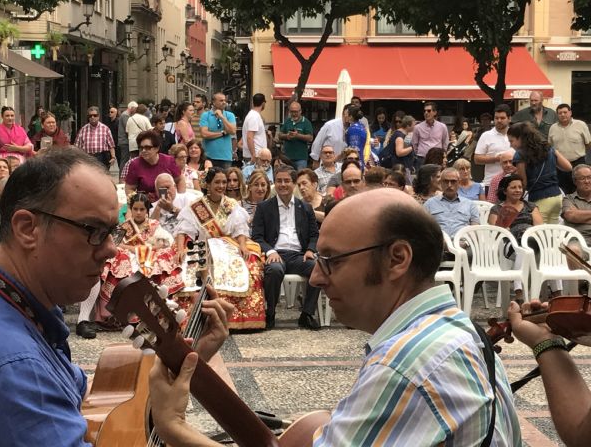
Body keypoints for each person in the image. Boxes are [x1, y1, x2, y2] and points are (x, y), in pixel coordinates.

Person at [150, 188, 522, 446]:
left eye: (331, 260)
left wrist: (175, 429)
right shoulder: (462, 330)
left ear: (397, 259)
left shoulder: (408, 365)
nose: (315, 276)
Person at [0, 147, 232, 444]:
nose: (112, 249)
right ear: (27, 229)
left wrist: (185, 362)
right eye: (93, 230)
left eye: (113, 232)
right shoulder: (15, 369)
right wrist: (175, 429)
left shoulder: (10, 306)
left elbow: (85, 403)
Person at [174, 167, 266, 330]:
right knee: (186, 267)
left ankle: (235, 316)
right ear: (207, 184)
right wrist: (181, 248)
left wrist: (243, 246)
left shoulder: (232, 205)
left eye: (224, 182)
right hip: (202, 245)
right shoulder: (196, 206)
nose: (222, 185)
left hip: (226, 245)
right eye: (217, 182)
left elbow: (240, 230)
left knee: (249, 264)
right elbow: (183, 230)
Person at [96, 192, 184, 328]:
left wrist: (147, 248)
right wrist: (137, 249)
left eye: (142, 209)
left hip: (150, 259)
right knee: (120, 261)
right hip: (132, 259)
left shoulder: (154, 225)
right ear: (131, 209)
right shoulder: (124, 227)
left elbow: (166, 242)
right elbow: (115, 245)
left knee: (164, 259)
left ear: (147, 210)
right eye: (135, 209)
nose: (138, 212)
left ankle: (159, 313)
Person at [252, 165, 320, 330]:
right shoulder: (264, 208)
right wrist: (270, 251)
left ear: (294, 183)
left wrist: (311, 249)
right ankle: (271, 312)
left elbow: (314, 235)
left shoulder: (305, 208)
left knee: (317, 268)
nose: (282, 184)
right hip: (276, 253)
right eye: (279, 181)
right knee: (274, 270)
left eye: (286, 181)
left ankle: (307, 314)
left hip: (298, 255)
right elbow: (257, 237)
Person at [488, 174, 542, 303]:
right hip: (509, 244)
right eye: (513, 187)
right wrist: (504, 225)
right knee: (523, 246)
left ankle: (557, 293)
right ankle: (519, 293)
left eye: (520, 187)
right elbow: (494, 231)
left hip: (532, 240)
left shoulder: (530, 206)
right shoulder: (497, 208)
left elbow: (539, 227)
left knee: (547, 248)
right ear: (505, 191)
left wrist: (528, 233)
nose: (518, 190)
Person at [508, 121, 571, 224]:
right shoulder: (548, 148)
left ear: (520, 138)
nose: (510, 145)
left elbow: (522, 183)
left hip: (539, 198)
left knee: (539, 233)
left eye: (511, 141)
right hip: (557, 197)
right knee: (552, 232)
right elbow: (568, 167)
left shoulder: (520, 155)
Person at [125, 130, 183, 204]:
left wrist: (179, 199)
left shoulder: (169, 161)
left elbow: (180, 180)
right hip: (147, 206)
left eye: (147, 147)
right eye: (141, 148)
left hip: (169, 203)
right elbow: (129, 189)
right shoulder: (135, 164)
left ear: (157, 148)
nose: (143, 150)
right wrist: (140, 202)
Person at [548, 103, 591, 194]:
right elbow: (550, 146)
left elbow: (588, 143)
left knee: (581, 188)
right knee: (562, 189)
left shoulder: (581, 125)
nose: (563, 115)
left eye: (565, 112)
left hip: (578, 162)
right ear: (557, 115)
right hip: (560, 165)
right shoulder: (553, 128)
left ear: (570, 113)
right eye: (560, 113)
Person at [424, 168, 479, 237]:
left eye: (453, 181)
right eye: (446, 181)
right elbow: (424, 228)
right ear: (441, 182)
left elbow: (476, 229)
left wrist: (465, 243)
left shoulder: (470, 204)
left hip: (463, 244)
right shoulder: (429, 204)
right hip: (439, 243)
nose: (449, 185)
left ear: (459, 183)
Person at [474, 104, 512, 193]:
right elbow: (477, 159)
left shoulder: (515, 134)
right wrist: (496, 158)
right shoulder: (486, 135)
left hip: (512, 182)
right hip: (491, 182)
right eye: (496, 118)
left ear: (509, 119)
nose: (499, 120)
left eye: (502, 118)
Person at [200, 92, 237, 169]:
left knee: (225, 180)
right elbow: (204, 134)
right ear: (213, 102)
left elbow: (233, 131)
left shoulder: (230, 115)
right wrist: (223, 133)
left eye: (224, 100)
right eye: (221, 100)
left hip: (226, 157)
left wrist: (222, 117)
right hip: (209, 156)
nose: (224, 102)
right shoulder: (205, 115)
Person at [412, 102, 448, 169]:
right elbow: (414, 144)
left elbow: (445, 143)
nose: (426, 113)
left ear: (435, 112)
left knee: (437, 178)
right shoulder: (417, 127)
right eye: (424, 111)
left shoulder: (442, 127)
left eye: (429, 111)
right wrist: (420, 153)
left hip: (437, 158)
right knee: (421, 178)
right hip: (422, 158)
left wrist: (442, 155)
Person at [562, 164, 591, 246]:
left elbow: (576, 216)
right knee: (573, 250)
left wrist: (580, 215)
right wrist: (576, 215)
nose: (587, 181)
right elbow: (571, 215)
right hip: (579, 240)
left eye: (589, 177)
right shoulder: (569, 199)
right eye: (582, 178)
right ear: (575, 181)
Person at [280, 101, 314, 170]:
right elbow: (279, 135)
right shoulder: (287, 121)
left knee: (300, 177)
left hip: (301, 158)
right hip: (287, 158)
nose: (294, 114)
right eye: (292, 112)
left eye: (296, 112)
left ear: (300, 111)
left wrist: (298, 135)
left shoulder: (306, 122)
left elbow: (310, 138)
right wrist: (287, 136)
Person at [242, 93, 267, 163]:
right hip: (255, 155)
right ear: (263, 103)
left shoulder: (253, 115)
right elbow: (250, 137)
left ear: (253, 103)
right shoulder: (254, 117)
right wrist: (253, 154)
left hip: (256, 154)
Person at [344, 105, 370, 170]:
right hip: (359, 162)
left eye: (347, 114)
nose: (345, 116)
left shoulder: (353, 129)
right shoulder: (361, 126)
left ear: (351, 116)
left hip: (354, 164)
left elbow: (354, 149)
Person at [118, 101, 137, 173]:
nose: (135, 111)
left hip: (125, 141)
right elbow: (127, 128)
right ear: (131, 108)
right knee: (124, 160)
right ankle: (121, 177)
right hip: (124, 141)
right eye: (135, 109)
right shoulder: (125, 115)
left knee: (125, 159)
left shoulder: (126, 115)